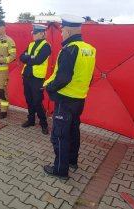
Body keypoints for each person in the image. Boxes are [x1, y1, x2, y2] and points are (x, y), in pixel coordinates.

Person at [43, 14, 96, 179]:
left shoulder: (69, 49)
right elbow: (90, 75)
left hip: (65, 100)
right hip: (79, 99)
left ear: (70, 30)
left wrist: (48, 89)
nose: (61, 33)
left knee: (60, 135)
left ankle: (60, 169)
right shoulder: (89, 49)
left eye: (63, 30)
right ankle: (72, 161)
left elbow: (62, 78)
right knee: (73, 131)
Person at [20, 24, 51, 135]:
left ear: (42, 33)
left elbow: (38, 60)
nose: (33, 35)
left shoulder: (46, 46)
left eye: (35, 33)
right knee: (29, 100)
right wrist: (30, 57)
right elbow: (21, 57)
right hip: (27, 76)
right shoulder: (31, 44)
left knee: (37, 101)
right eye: (33, 33)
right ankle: (31, 120)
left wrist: (28, 57)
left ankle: (44, 124)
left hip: (37, 78)